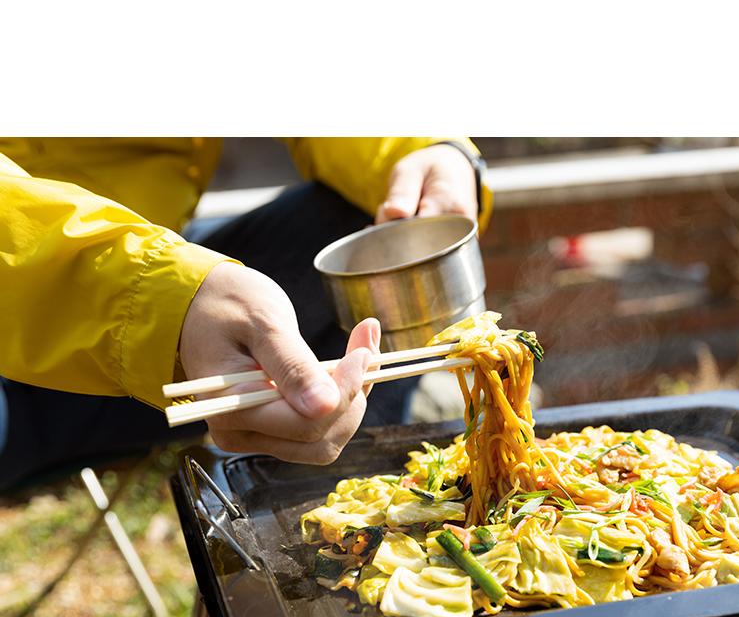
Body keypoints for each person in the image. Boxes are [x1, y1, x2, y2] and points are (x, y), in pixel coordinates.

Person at [0, 138, 491, 490]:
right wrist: (160, 296)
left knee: (373, 231)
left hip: (137, 344)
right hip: (42, 346)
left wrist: (422, 149)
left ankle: (358, 506)